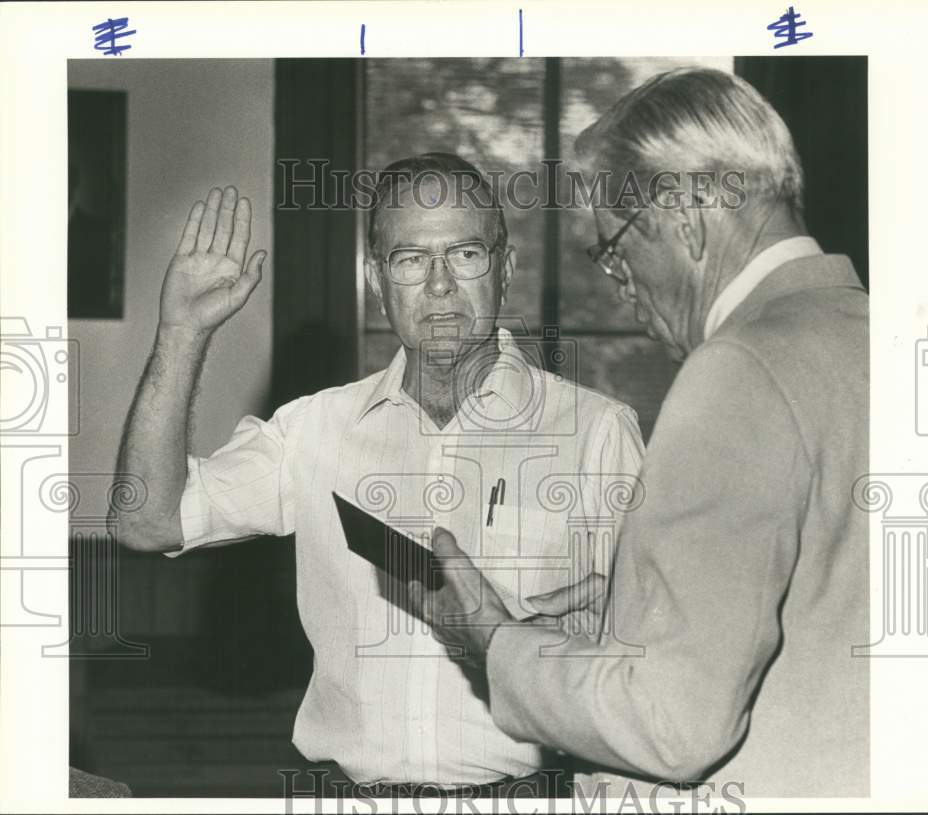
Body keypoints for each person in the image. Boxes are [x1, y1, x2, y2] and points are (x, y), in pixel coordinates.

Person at [110, 152, 644, 796]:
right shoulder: (314, 430)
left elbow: (653, 662)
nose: (440, 285)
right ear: (376, 278)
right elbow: (144, 521)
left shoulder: (595, 432)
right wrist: (181, 332)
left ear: (505, 269)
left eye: (466, 254)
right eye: (411, 259)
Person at [412, 68, 870, 799]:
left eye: (615, 249)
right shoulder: (882, 336)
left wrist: (496, 645)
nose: (621, 288)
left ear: (685, 213)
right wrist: (619, 620)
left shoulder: (738, 368)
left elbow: (674, 724)